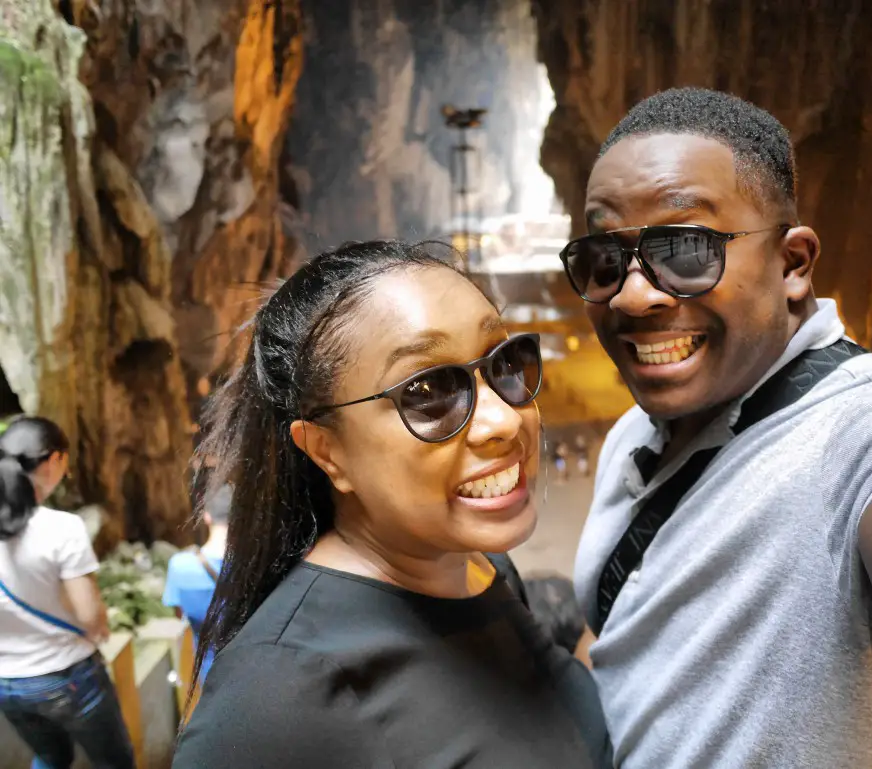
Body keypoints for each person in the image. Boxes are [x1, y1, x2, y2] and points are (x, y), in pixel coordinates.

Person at [562, 87, 872, 768]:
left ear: (793, 264)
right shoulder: (636, 431)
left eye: (688, 250)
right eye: (605, 261)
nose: (633, 295)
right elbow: (620, 626)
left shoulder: (869, 433)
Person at [173, 241, 611, 769]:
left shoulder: (477, 567)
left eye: (504, 362)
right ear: (327, 451)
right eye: (426, 391)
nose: (506, 421)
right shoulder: (279, 697)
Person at [0, 416, 135, 769]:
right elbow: (90, 617)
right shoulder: (62, 528)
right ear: (55, 459)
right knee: (114, 762)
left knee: (50, 756)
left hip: (7, 684)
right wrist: (100, 627)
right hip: (67, 678)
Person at [162, 484, 232, 684]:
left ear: (207, 516)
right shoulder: (256, 567)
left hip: (208, 672)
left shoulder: (180, 565)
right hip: (253, 667)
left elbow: (178, 613)